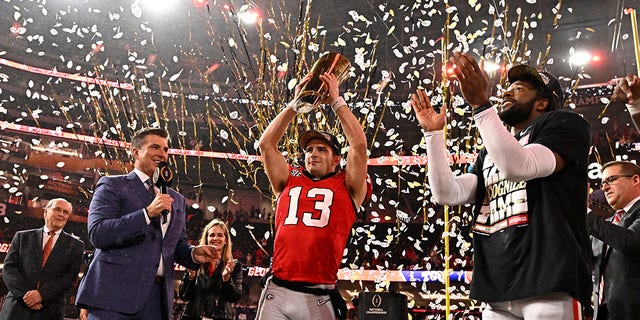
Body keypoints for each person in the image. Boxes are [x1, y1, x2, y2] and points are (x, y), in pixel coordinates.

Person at [410, 52, 592, 319]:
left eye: (518, 89)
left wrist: (482, 106)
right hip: (498, 286)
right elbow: (448, 193)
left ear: (542, 103)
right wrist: (433, 135)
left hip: (550, 283)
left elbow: (519, 167)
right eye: (507, 87)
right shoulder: (491, 151)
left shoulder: (565, 123)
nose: (506, 93)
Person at [256, 70, 370, 320]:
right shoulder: (289, 178)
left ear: (336, 159)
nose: (313, 153)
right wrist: (294, 105)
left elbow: (359, 145)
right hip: (278, 288)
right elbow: (266, 145)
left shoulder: (348, 185)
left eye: (321, 149)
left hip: (319, 294)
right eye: (309, 149)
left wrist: (337, 102)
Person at [75, 127, 220, 320]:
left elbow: (175, 246)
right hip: (114, 295)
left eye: (166, 149)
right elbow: (98, 234)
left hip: (158, 300)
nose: (162, 153)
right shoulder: (112, 185)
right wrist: (146, 213)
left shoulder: (175, 199)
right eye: (155, 147)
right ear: (135, 152)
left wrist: (193, 253)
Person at [0, 198, 84, 320]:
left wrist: (42, 295)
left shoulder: (76, 245)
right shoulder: (22, 237)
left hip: (49, 310)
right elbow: (9, 269)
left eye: (65, 212)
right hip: (16, 308)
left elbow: (69, 277)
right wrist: (27, 296)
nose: (61, 214)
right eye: (57, 209)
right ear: (45, 212)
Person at [588, 161, 640, 320]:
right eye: (603, 183)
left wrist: (586, 212)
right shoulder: (608, 224)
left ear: (635, 180)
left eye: (611, 179)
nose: (604, 187)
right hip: (603, 311)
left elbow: (631, 242)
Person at [179, 219, 242, 320]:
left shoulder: (234, 265)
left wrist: (226, 278)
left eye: (220, 235)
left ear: (226, 240)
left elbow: (234, 298)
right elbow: (184, 296)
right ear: (206, 238)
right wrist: (191, 276)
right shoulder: (196, 261)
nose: (215, 238)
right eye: (212, 235)